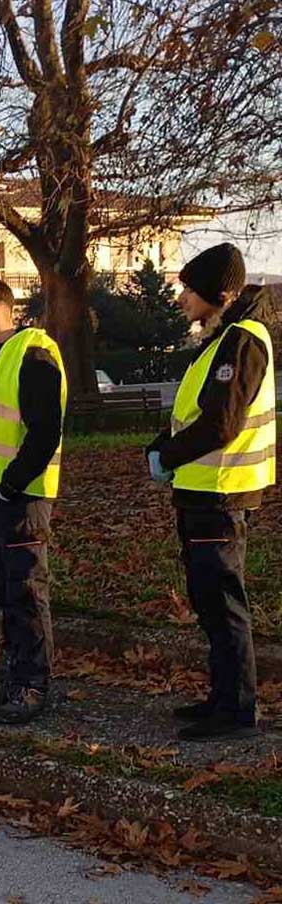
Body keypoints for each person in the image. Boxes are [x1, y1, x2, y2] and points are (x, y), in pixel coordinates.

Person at [146, 244, 273, 742]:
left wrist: (169, 457)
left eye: (188, 290)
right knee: (209, 601)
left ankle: (239, 711)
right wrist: (161, 447)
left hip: (221, 494)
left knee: (222, 602)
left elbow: (221, 425)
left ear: (217, 294)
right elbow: (195, 416)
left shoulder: (241, 341)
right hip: (202, 492)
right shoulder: (220, 340)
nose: (180, 298)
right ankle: (223, 697)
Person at [0, 278, 67, 725]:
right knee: (8, 593)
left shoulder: (32, 354)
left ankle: (34, 686)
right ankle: (15, 678)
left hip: (19, 499)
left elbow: (44, 433)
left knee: (25, 593)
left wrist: (9, 486)